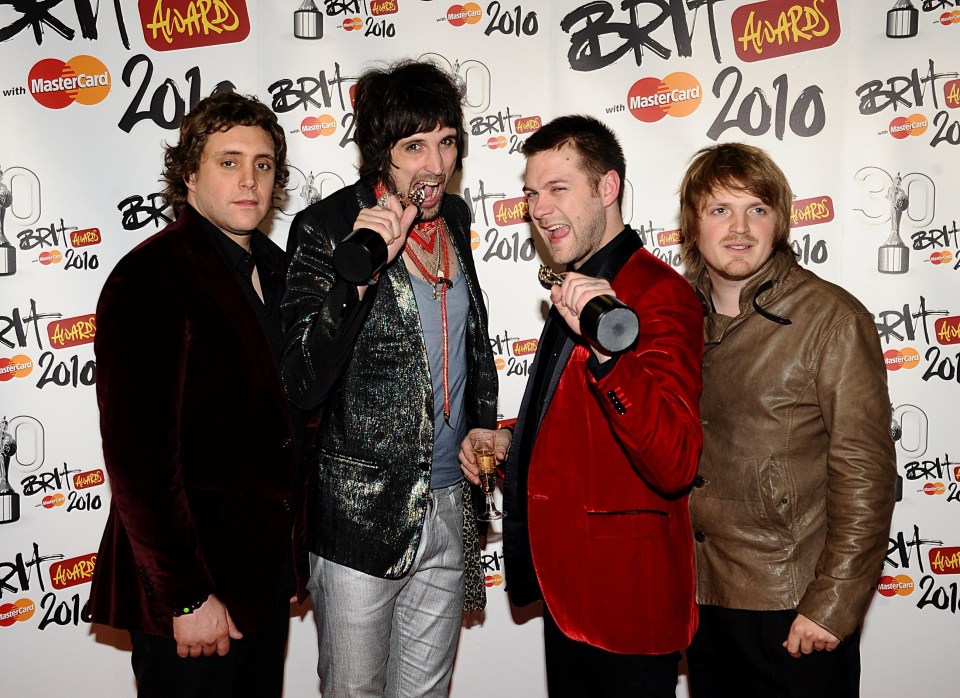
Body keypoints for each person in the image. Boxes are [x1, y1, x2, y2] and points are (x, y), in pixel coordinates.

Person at [281, 59, 498, 697]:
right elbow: (300, 381)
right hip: (358, 518)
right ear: (380, 152)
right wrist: (357, 277)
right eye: (414, 145)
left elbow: (474, 337)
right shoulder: (326, 229)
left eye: (447, 141)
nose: (435, 164)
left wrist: (482, 420)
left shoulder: (454, 218)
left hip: (451, 500)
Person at [88, 92, 307, 698]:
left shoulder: (283, 272)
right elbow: (139, 464)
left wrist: (285, 559)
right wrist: (185, 596)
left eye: (263, 164)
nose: (249, 179)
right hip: (190, 591)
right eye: (228, 161)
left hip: (261, 583)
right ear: (188, 174)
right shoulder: (151, 276)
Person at [485, 114, 704, 697]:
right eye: (532, 193)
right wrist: (512, 441)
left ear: (607, 189)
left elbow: (676, 458)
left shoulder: (659, 296)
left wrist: (611, 357)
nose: (540, 208)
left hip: (626, 604)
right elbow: (580, 426)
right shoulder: (575, 284)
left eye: (559, 189)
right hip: (570, 592)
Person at [680, 143, 897, 698]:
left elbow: (865, 476)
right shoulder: (670, 320)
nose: (739, 228)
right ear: (692, 224)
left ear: (780, 222)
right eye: (719, 209)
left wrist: (831, 606)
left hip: (793, 606)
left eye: (757, 209)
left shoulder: (831, 319)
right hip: (699, 599)